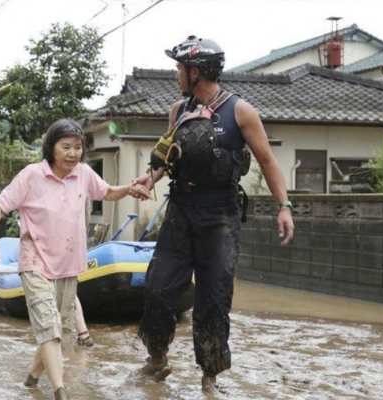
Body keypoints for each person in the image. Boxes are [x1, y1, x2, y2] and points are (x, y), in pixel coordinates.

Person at [132, 36, 295, 394]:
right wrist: (151, 177)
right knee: (158, 289)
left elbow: (267, 161)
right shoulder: (177, 111)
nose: (176, 73)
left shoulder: (240, 112)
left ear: (197, 72)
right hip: (181, 211)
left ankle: (209, 379)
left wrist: (284, 206)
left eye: (180, 68)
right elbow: (166, 156)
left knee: (214, 299)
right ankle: (157, 359)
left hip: (220, 216)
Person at [0, 118, 149, 400]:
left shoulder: (83, 173)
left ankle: (32, 379)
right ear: (52, 147)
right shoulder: (32, 175)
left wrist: (130, 188)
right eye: (66, 147)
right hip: (34, 260)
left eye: (77, 147)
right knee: (49, 326)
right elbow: (0, 206)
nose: (73, 153)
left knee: (59, 328)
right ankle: (61, 391)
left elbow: (107, 192)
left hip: (68, 264)